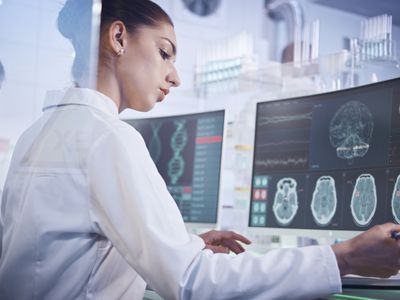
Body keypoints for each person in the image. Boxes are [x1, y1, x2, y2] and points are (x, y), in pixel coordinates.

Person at [0, 0, 399, 299]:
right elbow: (192, 283)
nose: (173, 77)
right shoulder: (107, 138)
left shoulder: (38, 133)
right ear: (118, 37)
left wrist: (181, 245)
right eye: (164, 52)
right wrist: (341, 257)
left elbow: (66, 260)